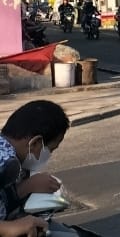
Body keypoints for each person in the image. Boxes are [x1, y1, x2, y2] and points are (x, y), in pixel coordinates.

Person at [0, 100, 70, 237]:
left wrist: (26, 188)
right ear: (35, 143)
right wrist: (9, 228)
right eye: (51, 149)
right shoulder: (7, 163)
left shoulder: (13, 159)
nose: (49, 155)